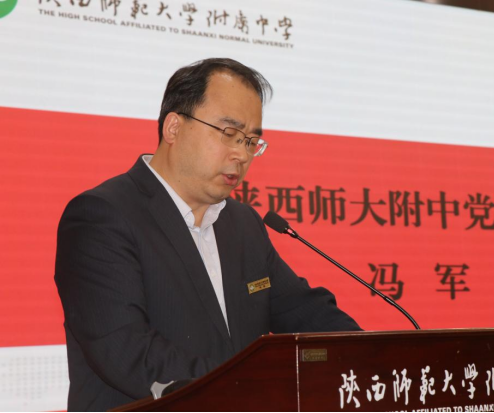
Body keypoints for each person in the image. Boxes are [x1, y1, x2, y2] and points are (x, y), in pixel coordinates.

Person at [54, 58, 362, 412]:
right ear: (173, 127)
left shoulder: (243, 224)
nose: (241, 154)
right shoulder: (102, 216)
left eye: (251, 141)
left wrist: (377, 356)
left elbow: (302, 310)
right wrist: (253, 387)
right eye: (229, 134)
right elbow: (125, 350)